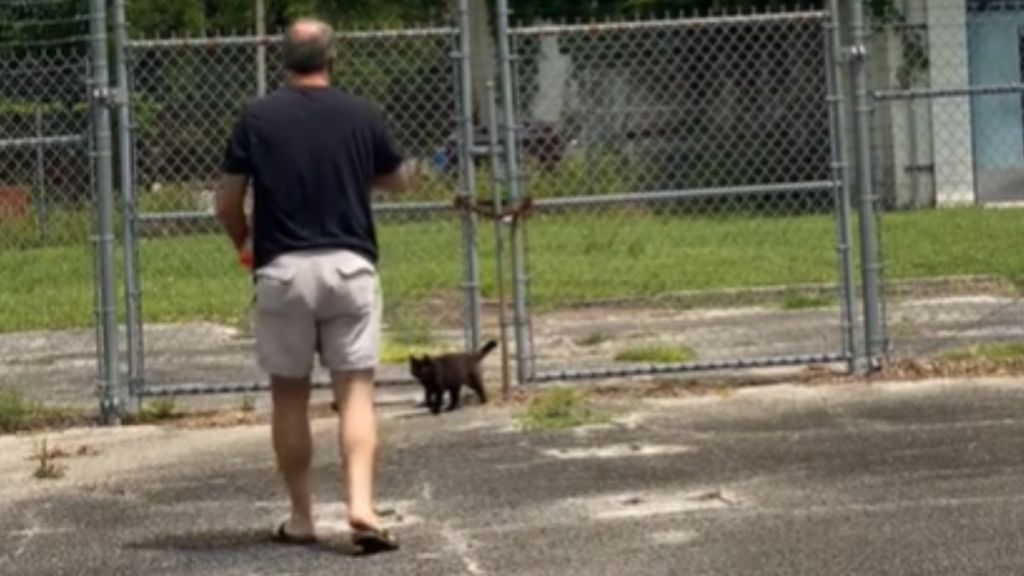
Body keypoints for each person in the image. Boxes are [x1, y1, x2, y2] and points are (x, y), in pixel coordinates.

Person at [215, 16, 419, 555]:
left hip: (282, 270)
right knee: (355, 391)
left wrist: (244, 243)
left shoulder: (256, 117)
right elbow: (398, 179)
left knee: (289, 396)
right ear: (334, 57)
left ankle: (303, 516)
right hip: (350, 268)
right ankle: (361, 505)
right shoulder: (361, 113)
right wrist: (359, 168)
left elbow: (227, 202)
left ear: (283, 57)